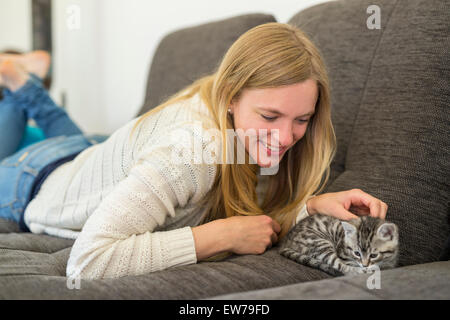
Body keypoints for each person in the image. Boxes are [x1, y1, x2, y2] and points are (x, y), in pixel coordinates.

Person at [0, 22, 388, 280]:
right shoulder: (192, 150)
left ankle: (20, 81)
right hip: (29, 179)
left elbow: (255, 209)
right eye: (270, 116)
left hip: (92, 153)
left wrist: (312, 207)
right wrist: (215, 237)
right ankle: (18, 84)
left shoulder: (240, 134)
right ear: (231, 98)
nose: (286, 137)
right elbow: (88, 262)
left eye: (301, 119)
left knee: (70, 136)